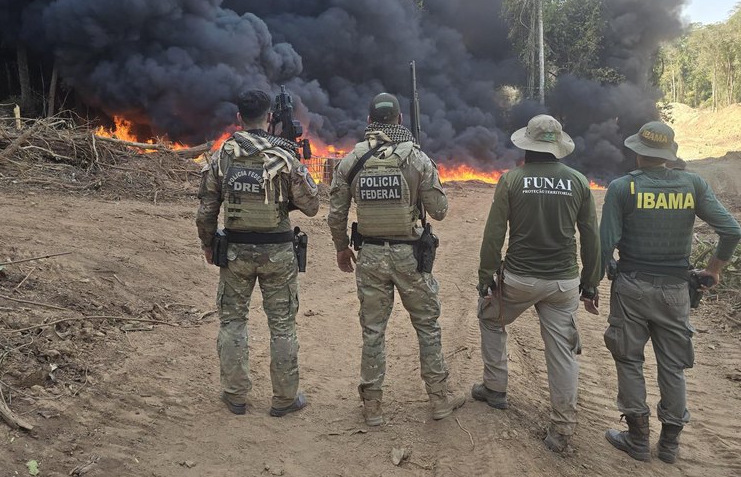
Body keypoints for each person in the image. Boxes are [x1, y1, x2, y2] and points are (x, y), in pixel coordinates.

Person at [600, 121, 741, 464]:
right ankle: (669, 445)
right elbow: (731, 230)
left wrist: (597, 280)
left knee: (629, 360)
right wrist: (714, 270)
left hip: (631, 286)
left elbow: (605, 245)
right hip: (677, 290)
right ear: (668, 154)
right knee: (673, 367)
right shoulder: (692, 184)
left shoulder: (622, 188)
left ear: (637, 152)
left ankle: (636, 439)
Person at [327, 92, 465, 427]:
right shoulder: (416, 158)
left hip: (370, 255)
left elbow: (335, 214)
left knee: (373, 329)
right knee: (427, 327)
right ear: (400, 120)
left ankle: (372, 406)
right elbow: (441, 211)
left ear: (370, 121)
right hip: (409, 257)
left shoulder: (352, 160)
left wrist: (342, 247)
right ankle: (439, 401)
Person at [474, 114, 601, 453]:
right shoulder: (577, 181)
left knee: (490, 317)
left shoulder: (511, 180)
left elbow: (494, 234)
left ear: (526, 145)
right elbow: (591, 237)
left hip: (518, 279)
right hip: (563, 284)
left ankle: (495, 389)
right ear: (557, 148)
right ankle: (561, 428)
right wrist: (590, 283)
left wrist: (486, 276)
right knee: (562, 352)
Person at [196, 89, 320, 417]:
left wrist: (208, 244)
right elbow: (312, 206)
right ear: (268, 118)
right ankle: (284, 399)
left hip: (235, 250)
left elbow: (206, 210)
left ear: (239, 118)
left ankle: (235, 395)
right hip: (277, 252)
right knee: (282, 325)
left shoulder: (224, 155)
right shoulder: (284, 155)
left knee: (233, 321)